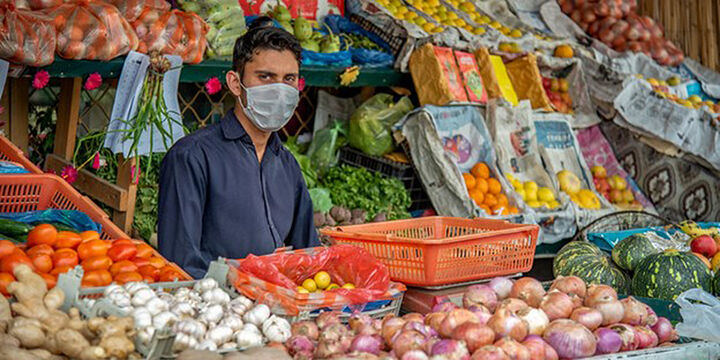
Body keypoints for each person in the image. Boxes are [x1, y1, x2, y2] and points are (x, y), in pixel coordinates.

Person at [157, 18, 319, 278]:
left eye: (288, 79)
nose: (278, 90)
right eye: (265, 77)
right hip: (214, 309)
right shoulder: (192, 157)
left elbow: (308, 254)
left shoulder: (287, 165)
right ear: (235, 83)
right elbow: (180, 262)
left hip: (279, 309)